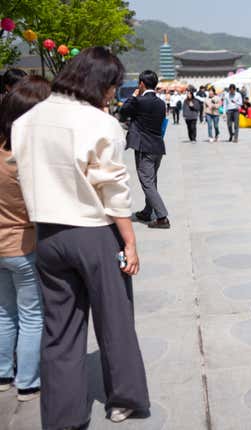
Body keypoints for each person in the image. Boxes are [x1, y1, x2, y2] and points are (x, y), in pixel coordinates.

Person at [11, 46, 149, 429]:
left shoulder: (28, 120)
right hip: (94, 232)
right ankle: (123, 399)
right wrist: (130, 242)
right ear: (99, 82)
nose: (111, 95)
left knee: (60, 330)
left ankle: (62, 416)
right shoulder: (99, 123)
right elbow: (113, 190)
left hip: (48, 236)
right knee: (114, 319)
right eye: (111, 87)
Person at [0, 75, 50, 403]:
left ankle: (3, 373)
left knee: (4, 312)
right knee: (32, 313)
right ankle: (28, 381)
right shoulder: (24, 158)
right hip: (24, 242)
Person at [120, 70, 171, 229]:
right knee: (152, 180)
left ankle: (162, 217)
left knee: (147, 182)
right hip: (157, 146)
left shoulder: (139, 101)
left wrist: (134, 96)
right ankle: (148, 211)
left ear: (142, 84)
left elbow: (122, 113)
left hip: (144, 147)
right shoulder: (161, 103)